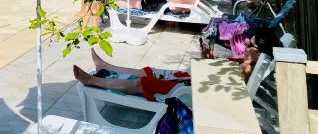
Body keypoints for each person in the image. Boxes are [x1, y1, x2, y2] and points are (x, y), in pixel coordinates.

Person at [73, 29, 280, 101]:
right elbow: (217, 73)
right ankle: (106, 66)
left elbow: (220, 84)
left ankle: (94, 81)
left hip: (189, 91)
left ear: (262, 52)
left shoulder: (247, 69)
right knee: (150, 71)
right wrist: (207, 58)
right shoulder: (246, 62)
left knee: (143, 82)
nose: (245, 46)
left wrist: (208, 61)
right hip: (191, 81)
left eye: (251, 45)